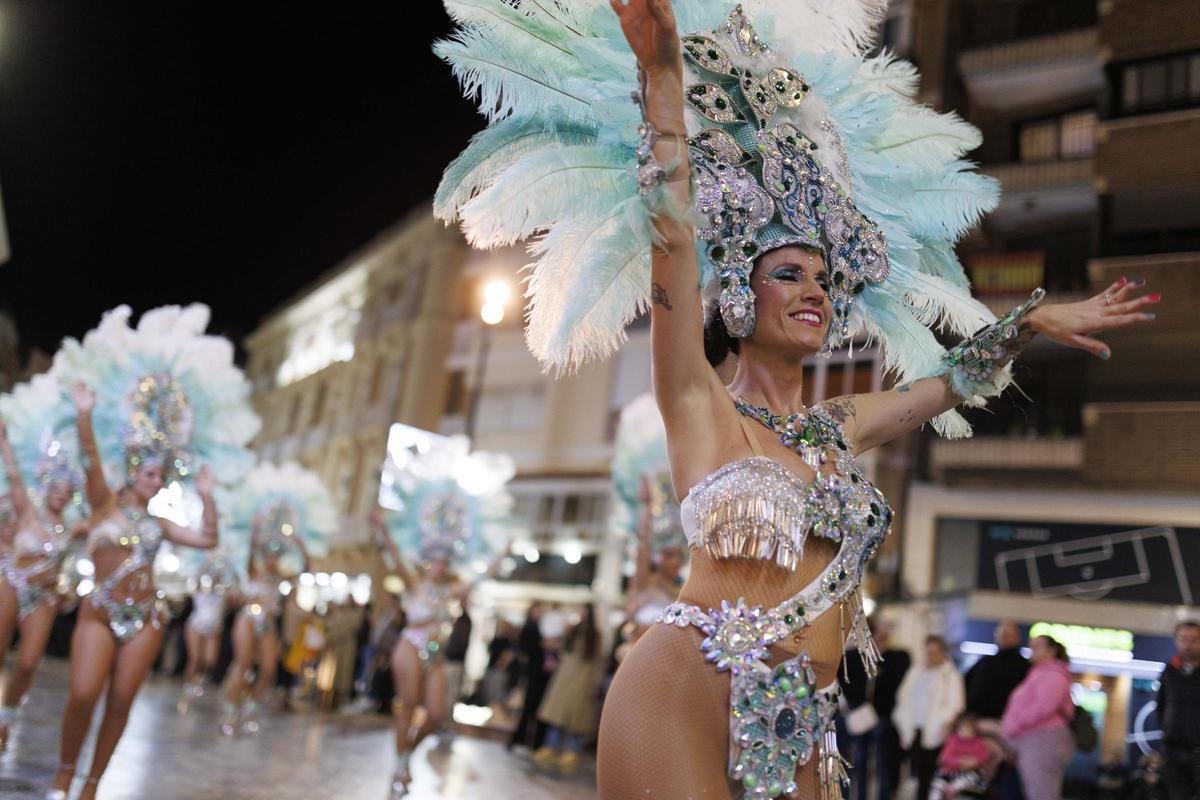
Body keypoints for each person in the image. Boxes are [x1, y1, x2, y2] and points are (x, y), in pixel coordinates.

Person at [436, 2, 1157, 796]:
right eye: (787, 273)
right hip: (688, 687)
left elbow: (943, 385)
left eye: (821, 277)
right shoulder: (698, 402)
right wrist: (664, 84)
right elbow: (675, 240)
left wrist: (1030, 324)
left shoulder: (834, 431)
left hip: (802, 715)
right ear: (740, 297)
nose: (812, 288)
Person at [51, 382, 222, 800]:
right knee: (84, 693)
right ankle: (65, 771)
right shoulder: (104, 506)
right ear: (132, 470)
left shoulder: (160, 523)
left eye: (161, 476)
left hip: (145, 618)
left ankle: (92, 784)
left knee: (122, 700)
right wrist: (84, 414)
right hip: (100, 612)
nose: (155, 480)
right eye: (149, 473)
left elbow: (207, 539)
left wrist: (206, 496)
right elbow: (91, 463)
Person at [0, 414, 86, 751]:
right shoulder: (27, 511)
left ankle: (5, 718)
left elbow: (104, 516)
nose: (61, 495)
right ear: (47, 485)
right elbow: (14, 477)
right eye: (56, 487)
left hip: (45, 597)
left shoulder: (74, 527)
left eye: (68, 491)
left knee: (28, 661)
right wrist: (4, 441)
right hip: (11, 582)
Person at [840, 621, 910, 800]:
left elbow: (894, 682)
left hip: (882, 715)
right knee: (859, 758)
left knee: (881, 760)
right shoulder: (853, 657)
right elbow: (846, 684)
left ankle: (882, 794)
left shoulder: (895, 658)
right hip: (859, 715)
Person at [1001, 635, 1076, 800]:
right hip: (1035, 738)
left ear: (1052, 651)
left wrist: (1012, 728)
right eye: (1031, 646)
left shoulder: (1053, 675)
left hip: (1043, 738)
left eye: (1037, 646)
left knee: (1041, 793)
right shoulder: (1039, 673)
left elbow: (1043, 708)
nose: (1032, 650)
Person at [893, 635, 965, 800]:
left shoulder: (950, 676)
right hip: (912, 727)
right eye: (928, 652)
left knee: (928, 774)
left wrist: (945, 722)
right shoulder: (915, 671)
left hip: (935, 730)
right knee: (913, 771)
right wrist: (900, 717)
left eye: (934, 652)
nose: (930, 656)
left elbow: (956, 704)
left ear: (942, 653)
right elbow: (903, 696)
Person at [535, 603, 605, 772]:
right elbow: (562, 649)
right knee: (557, 714)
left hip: (583, 679)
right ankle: (550, 746)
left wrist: (595, 683)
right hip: (565, 677)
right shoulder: (572, 631)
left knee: (578, 718)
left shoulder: (595, 636)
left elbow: (599, 662)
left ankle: (572, 750)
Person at [1157, 620, 1200, 800]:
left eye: (1194, 639)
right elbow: (1161, 704)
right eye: (1184, 639)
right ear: (1176, 641)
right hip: (1173, 751)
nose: (1188, 644)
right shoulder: (1169, 671)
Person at [965, 621, 1029, 721]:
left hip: (1008, 721)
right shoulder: (985, 662)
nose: (1004, 637)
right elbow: (966, 684)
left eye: (1008, 635)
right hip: (977, 720)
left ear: (1017, 637)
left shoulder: (1024, 666)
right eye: (1001, 634)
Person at [929, 712, 996, 800]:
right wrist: (959, 762)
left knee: (973, 777)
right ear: (957, 729)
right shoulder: (953, 740)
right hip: (949, 770)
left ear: (974, 732)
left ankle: (953, 788)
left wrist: (975, 761)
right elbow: (945, 756)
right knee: (937, 786)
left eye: (968, 730)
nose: (965, 733)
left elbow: (985, 756)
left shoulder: (978, 743)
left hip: (969, 772)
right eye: (962, 730)